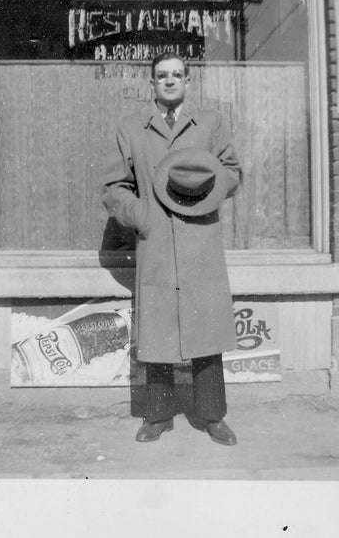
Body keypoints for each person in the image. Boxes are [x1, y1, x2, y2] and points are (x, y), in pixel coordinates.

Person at [102, 52, 241, 445]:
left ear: (187, 81)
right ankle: (158, 416)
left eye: (177, 74)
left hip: (201, 240)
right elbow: (114, 187)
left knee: (207, 327)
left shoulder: (211, 123)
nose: (169, 81)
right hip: (157, 241)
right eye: (162, 75)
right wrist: (142, 214)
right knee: (158, 327)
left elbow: (233, 171)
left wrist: (208, 190)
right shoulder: (131, 127)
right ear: (151, 83)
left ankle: (213, 417)